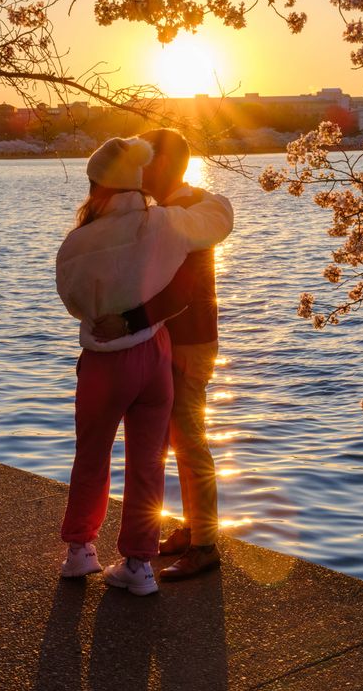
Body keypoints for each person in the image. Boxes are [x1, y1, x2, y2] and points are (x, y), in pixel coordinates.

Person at [55, 136, 234, 595]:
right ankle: (160, 549)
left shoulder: (169, 217)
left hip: (165, 344)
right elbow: (220, 217)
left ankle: (200, 543)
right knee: (156, 454)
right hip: (159, 347)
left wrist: (120, 321)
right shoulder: (170, 216)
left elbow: (181, 292)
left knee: (166, 443)